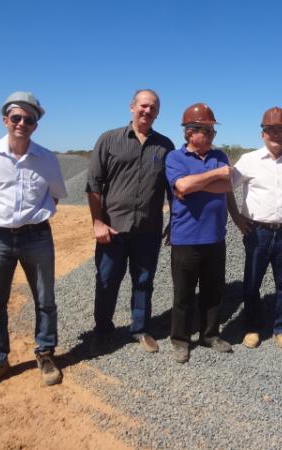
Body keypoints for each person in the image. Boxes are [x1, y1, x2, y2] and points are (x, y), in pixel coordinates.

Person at [0, 91, 67, 390]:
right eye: (16, 117)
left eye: (29, 119)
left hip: (37, 237)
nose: (22, 123)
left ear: (36, 125)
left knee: (45, 300)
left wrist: (31, 218)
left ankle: (45, 353)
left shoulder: (47, 158)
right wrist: (1, 219)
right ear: (5, 119)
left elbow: (56, 194)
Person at [86, 89, 175, 356]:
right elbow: (93, 185)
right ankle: (103, 330)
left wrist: (174, 221)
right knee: (107, 280)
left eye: (153, 108)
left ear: (157, 113)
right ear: (132, 107)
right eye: (143, 106)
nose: (147, 111)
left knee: (144, 282)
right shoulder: (109, 140)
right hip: (113, 229)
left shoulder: (165, 146)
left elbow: (173, 189)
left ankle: (140, 329)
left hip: (148, 230)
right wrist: (98, 222)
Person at [227, 107, 282, 350]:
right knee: (252, 282)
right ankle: (252, 328)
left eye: (281, 129)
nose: (276, 134)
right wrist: (236, 217)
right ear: (263, 133)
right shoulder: (248, 160)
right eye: (271, 129)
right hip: (256, 232)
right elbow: (226, 189)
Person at [165, 103, 233, 363]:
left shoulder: (221, 156)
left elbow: (227, 186)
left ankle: (210, 334)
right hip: (185, 237)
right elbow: (181, 185)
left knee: (213, 291)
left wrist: (196, 184)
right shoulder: (175, 158)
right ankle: (180, 340)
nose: (212, 135)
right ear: (190, 132)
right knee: (183, 293)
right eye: (207, 130)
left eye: (212, 131)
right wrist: (213, 175)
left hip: (215, 236)